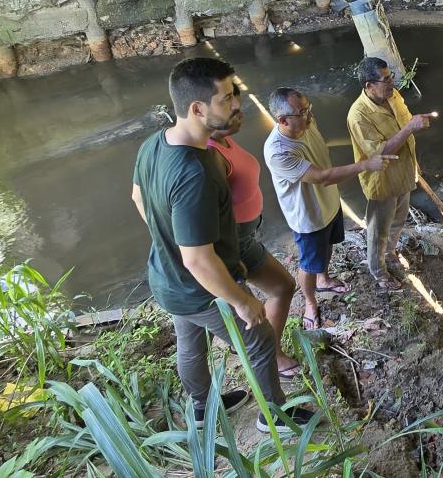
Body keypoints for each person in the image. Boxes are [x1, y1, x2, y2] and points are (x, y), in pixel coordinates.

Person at [130, 57, 314, 433]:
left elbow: (137, 197)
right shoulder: (194, 172)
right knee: (260, 339)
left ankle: (202, 408)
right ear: (197, 109)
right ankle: (273, 417)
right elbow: (198, 260)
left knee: (190, 341)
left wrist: (170, 239)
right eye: (227, 99)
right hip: (198, 287)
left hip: (166, 278)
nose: (236, 105)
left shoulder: (154, 144)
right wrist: (242, 300)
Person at [263, 87, 393, 330]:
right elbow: (322, 176)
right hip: (308, 217)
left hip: (329, 203)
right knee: (308, 263)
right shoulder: (278, 151)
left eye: (309, 107)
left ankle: (323, 280)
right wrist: (365, 164)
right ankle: (310, 302)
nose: (310, 114)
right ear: (282, 120)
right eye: (302, 112)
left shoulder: (307, 122)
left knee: (329, 244)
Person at [205, 99, 304, 380]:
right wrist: (231, 266)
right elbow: (209, 217)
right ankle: (269, 366)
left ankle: (270, 351)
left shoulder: (223, 140)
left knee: (283, 286)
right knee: (254, 311)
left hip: (247, 237)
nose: (239, 109)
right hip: (232, 244)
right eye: (228, 104)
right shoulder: (210, 156)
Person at [346, 57, 434, 290]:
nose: (392, 83)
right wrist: (409, 128)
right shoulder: (358, 115)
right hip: (382, 179)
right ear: (368, 85)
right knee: (378, 229)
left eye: (391, 76)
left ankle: (391, 252)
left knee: (399, 219)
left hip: (403, 171)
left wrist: (414, 163)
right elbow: (380, 154)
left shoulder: (391, 95)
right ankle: (378, 271)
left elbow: (406, 132)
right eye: (385, 79)